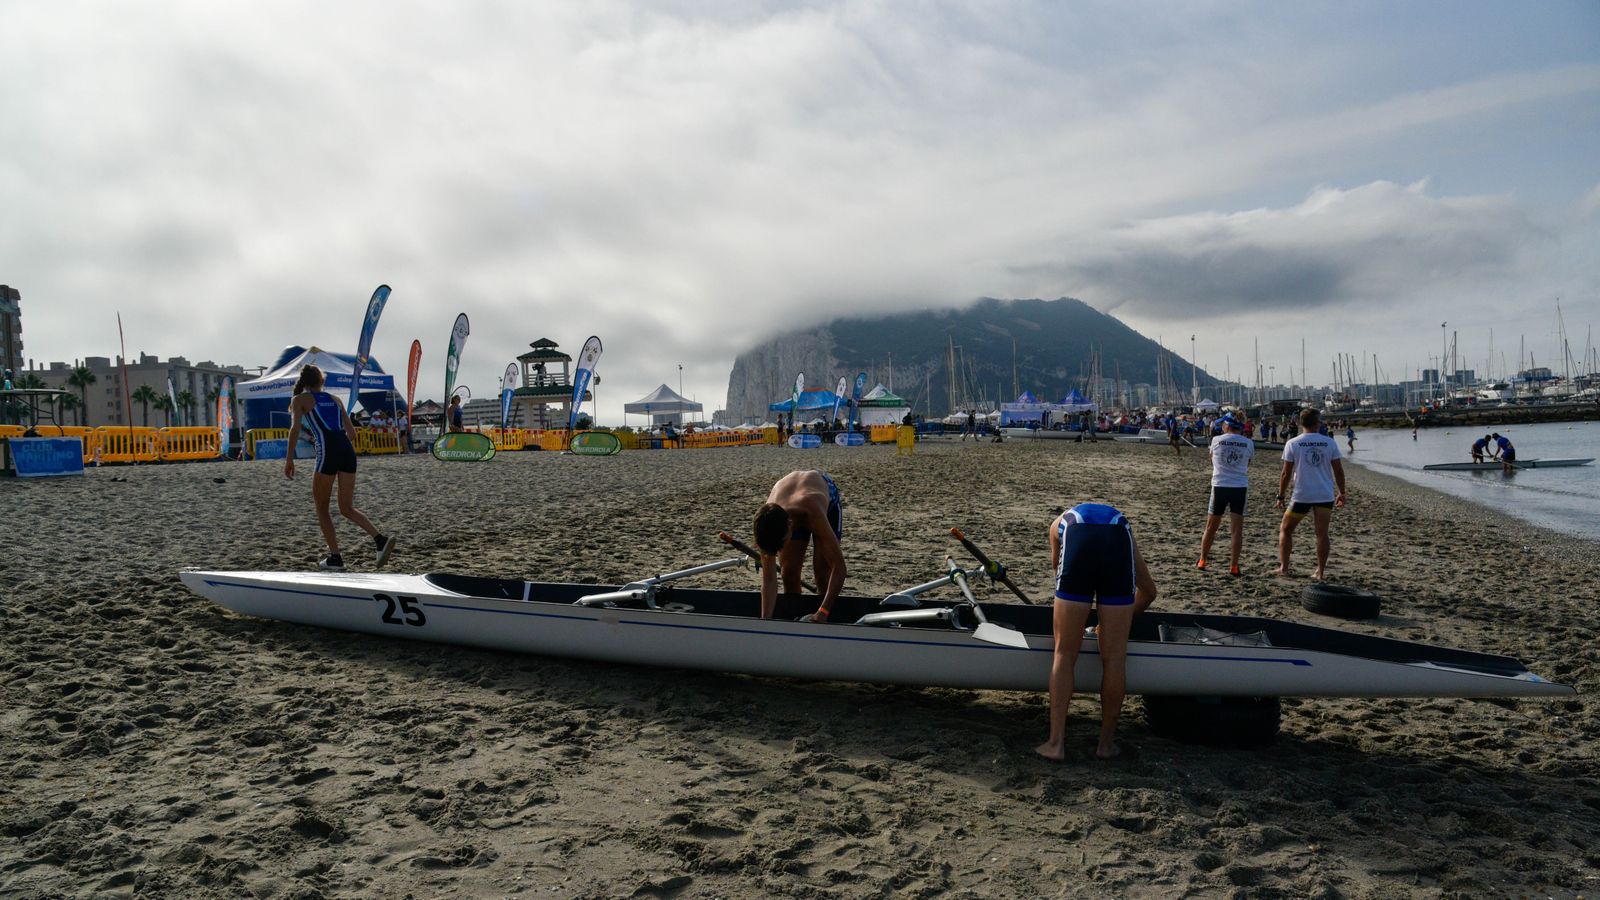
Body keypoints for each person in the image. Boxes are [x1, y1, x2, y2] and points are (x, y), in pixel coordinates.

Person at [1036, 503, 1158, 762]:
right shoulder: (1122, 528)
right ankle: (1106, 745)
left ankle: (1055, 744)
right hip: (1115, 546)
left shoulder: (1060, 525)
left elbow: (1058, 572)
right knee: (1114, 658)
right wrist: (1113, 623)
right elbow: (1149, 594)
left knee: (1064, 653)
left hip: (1078, 547)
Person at [283, 365, 395, 571]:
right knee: (346, 507)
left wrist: (289, 459)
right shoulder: (336, 400)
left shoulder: (299, 400)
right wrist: (339, 445)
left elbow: (295, 429)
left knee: (322, 507)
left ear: (304, 382)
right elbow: (351, 433)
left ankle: (335, 558)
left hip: (328, 449)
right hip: (347, 450)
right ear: (321, 381)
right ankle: (380, 539)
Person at [752, 470, 846, 622]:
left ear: (790, 526)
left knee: (822, 574)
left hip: (822, 500)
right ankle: (795, 617)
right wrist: (765, 621)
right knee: (788, 574)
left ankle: (823, 618)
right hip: (788, 499)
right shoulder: (765, 524)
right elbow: (769, 578)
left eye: (781, 545)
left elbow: (839, 567)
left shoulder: (813, 511)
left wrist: (823, 611)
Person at [1275, 408, 1346, 581]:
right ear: (1317, 423)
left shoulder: (1293, 443)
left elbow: (1286, 473)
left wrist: (1281, 495)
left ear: (1300, 423)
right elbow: (1338, 471)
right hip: (1324, 494)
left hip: (1302, 495)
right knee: (1322, 534)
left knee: (1286, 529)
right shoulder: (1329, 442)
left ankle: (1284, 567)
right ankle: (1320, 572)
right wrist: (1342, 492)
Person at [1199, 418, 1253, 576]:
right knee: (1236, 530)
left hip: (1220, 485)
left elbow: (1212, 460)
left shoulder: (1216, 440)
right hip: (1239, 487)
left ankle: (1202, 560)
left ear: (1227, 426)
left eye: (1223, 424)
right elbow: (1247, 463)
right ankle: (1234, 566)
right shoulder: (1248, 443)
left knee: (1211, 527)